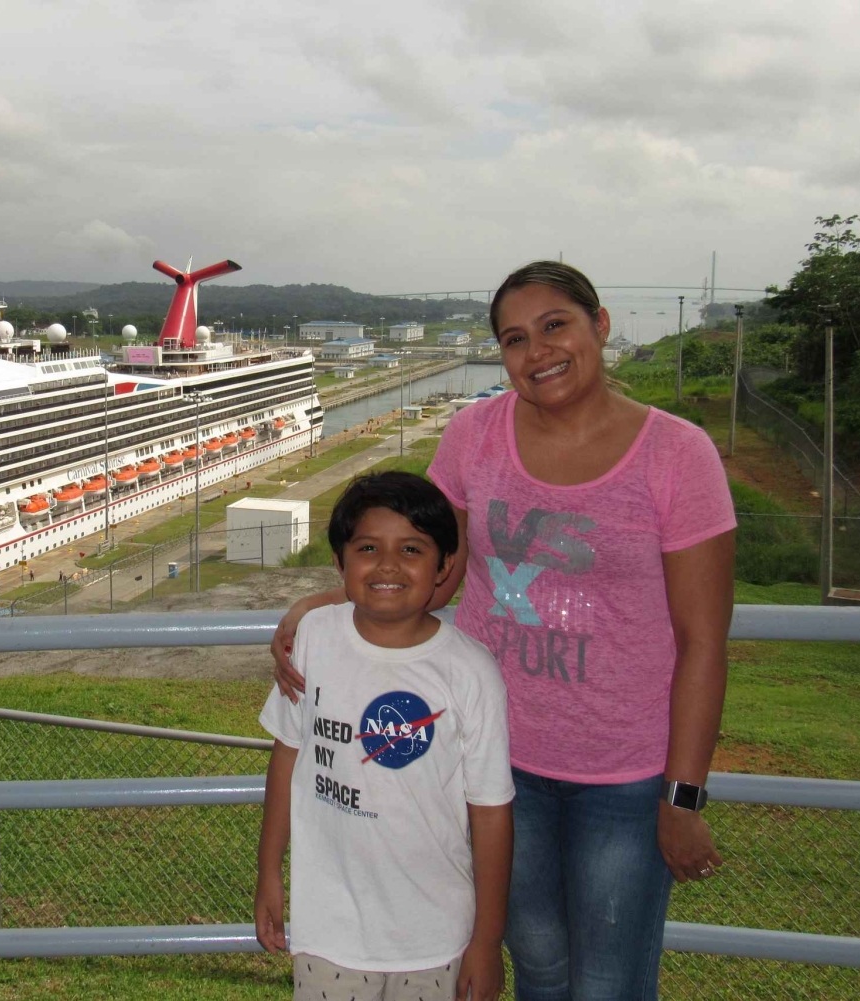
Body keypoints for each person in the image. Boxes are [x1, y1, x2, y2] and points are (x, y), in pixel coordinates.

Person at [272, 261, 736, 1000]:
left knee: (609, 983)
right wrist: (322, 606)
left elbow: (703, 639)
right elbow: (434, 567)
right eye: (514, 338)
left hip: (623, 772)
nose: (537, 351)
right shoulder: (474, 434)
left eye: (556, 325)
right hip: (495, 765)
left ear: (600, 325)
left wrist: (682, 797)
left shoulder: (678, 454)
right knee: (539, 967)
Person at [256, 471, 514, 1001]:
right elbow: (286, 757)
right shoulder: (314, 640)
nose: (389, 565)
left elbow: (491, 812)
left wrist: (486, 943)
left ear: (444, 567)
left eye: (413, 549)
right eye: (368, 547)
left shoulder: (471, 672)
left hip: (436, 935)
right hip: (328, 932)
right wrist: (268, 871)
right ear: (340, 562)